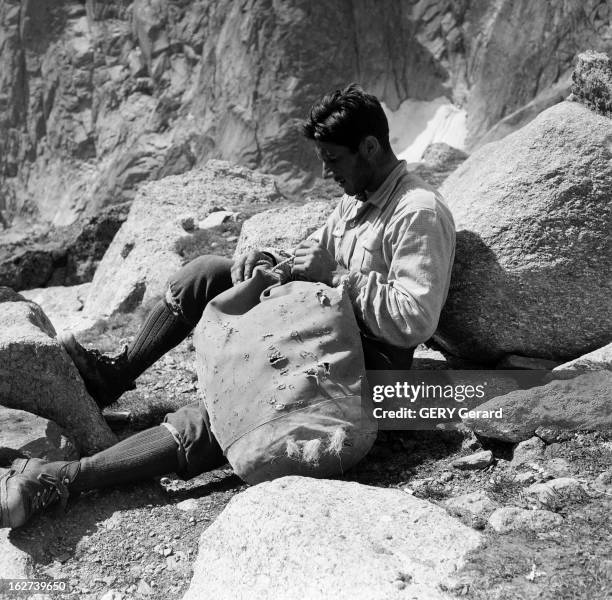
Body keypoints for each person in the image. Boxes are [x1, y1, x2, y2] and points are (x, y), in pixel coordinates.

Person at [0, 84, 455, 529]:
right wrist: (272, 265)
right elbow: (311, 261)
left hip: (359, 364)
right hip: (317, 323)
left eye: (334, 160)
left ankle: (60, 480)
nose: (326, 173)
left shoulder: (416, 211)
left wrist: (336, 278)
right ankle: (112, 377)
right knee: (209, 272)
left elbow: (414, 319)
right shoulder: (354, 202)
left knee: (237, 412)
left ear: (371, 147)